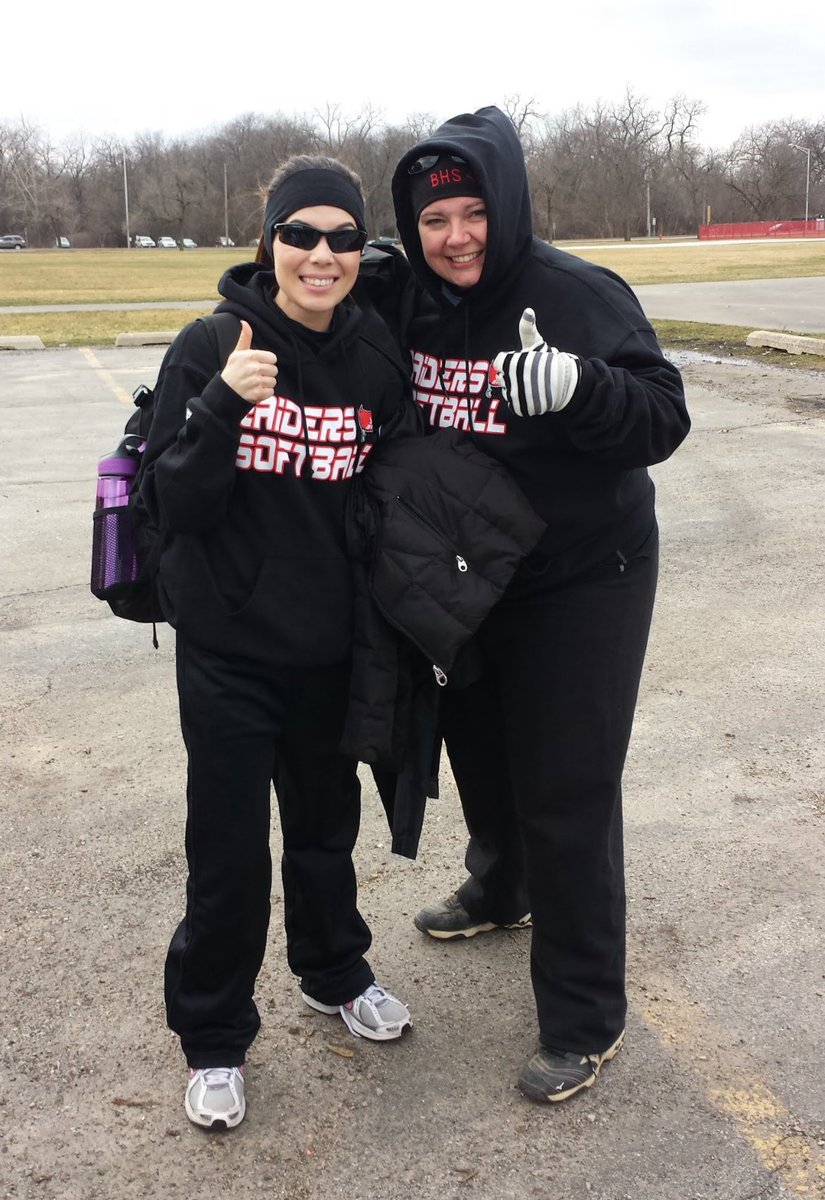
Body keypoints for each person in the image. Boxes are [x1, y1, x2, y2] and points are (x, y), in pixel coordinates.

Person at [365, 106, 690, 1103]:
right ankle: (501, 887)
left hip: (587, 573)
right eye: (434, 220)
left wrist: (583, 387)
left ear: (506, 208)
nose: (456, 236)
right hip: (473, 573)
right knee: (479, 748)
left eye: (473, 213)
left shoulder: (576, 293)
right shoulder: (409, 295)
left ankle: (585, 1018)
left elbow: (663, 416)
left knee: (567, 785)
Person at [139, 155, 417, 1131]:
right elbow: (171, 500)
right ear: (271, 244)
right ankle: (214, 1036)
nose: (321, 255)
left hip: (331, 648)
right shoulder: (214, 343)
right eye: (301, 234)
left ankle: (333, 972)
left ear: (359, 250)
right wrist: (222, 404)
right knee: (227, 854)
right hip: (229, 648)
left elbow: (397, 488)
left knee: (325, 834)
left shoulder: (375, 355)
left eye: (342, 237)